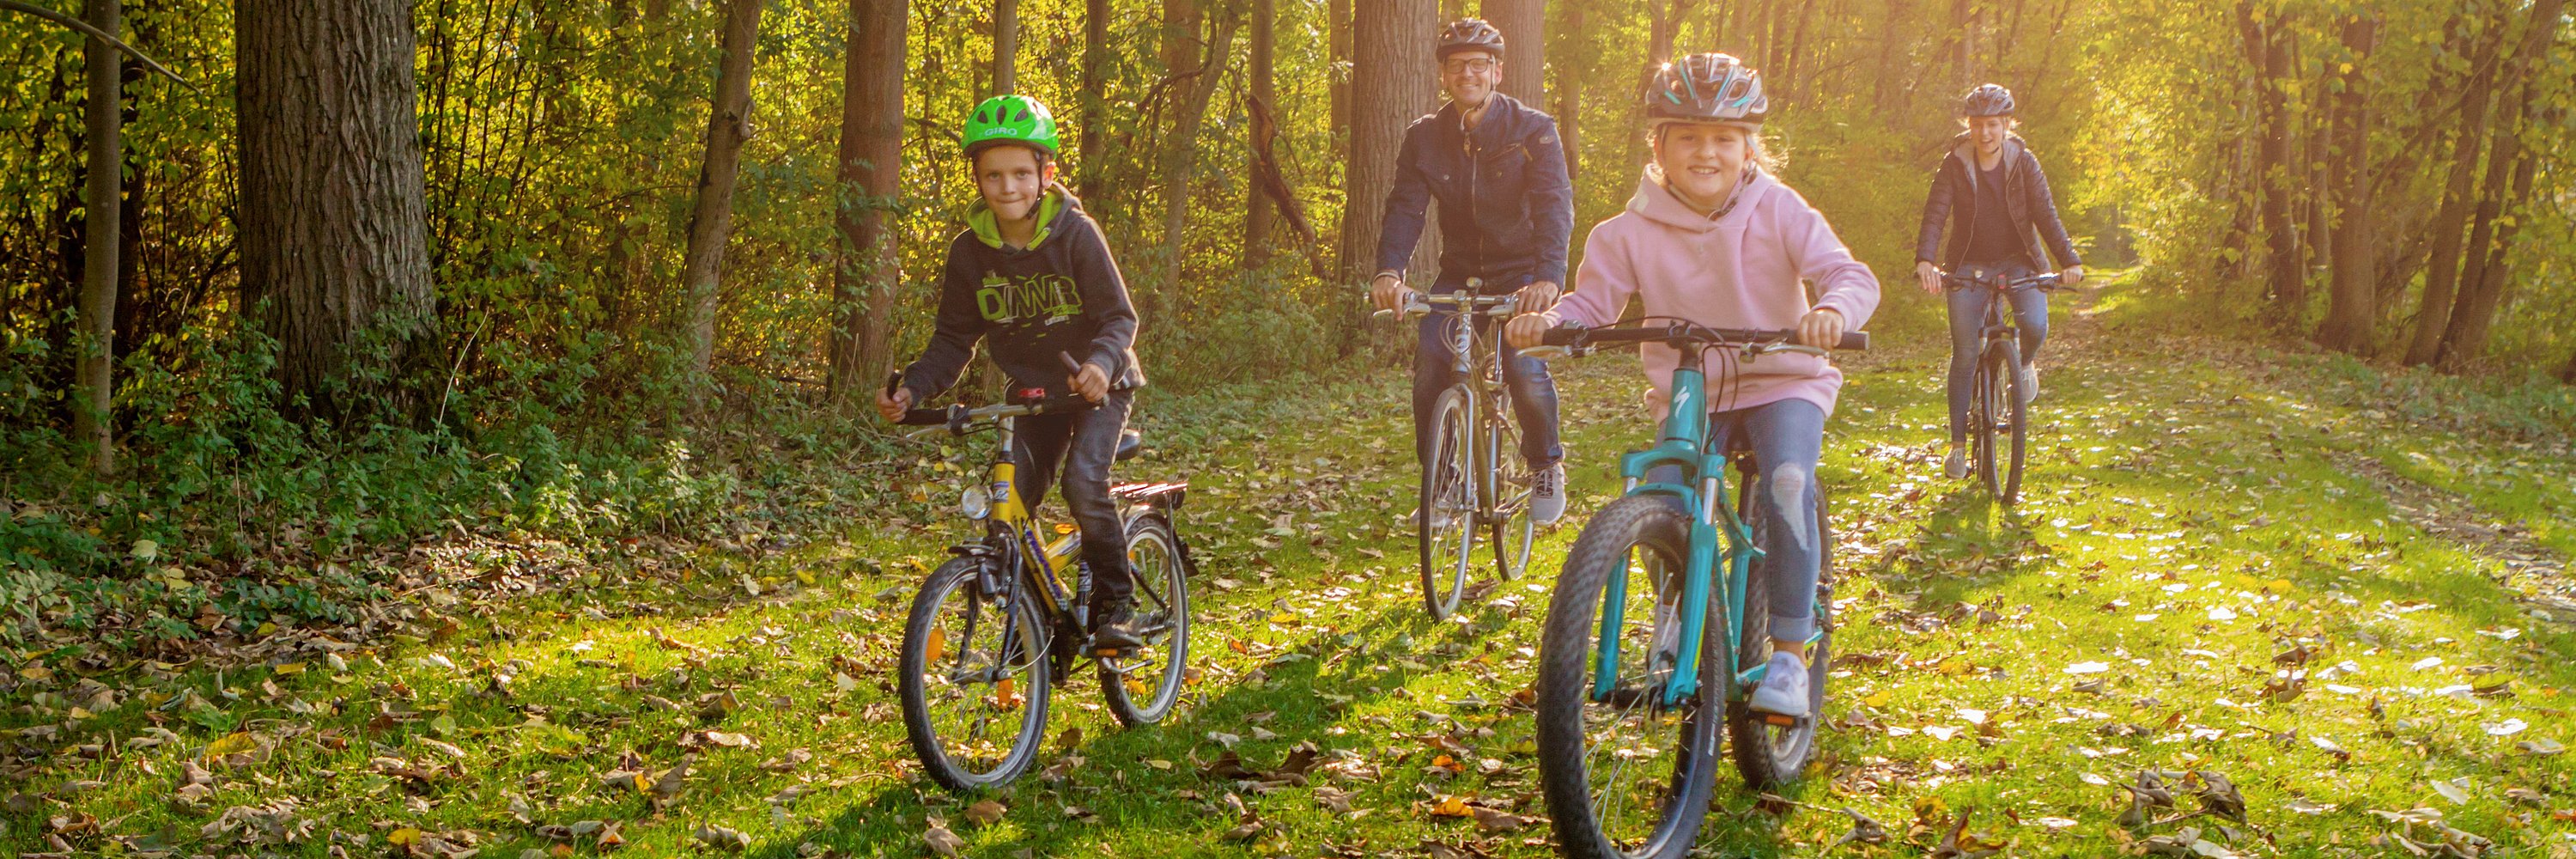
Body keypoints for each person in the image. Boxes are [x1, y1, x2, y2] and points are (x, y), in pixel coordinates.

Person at [1506, 52, 1879, 717]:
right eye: (1688, 137)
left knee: (1788, 482)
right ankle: (1677, 607)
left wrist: (1830, 312)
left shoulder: (1780, 208)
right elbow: (1590, 305)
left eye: (1723, 139)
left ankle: (1790, 656)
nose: (1706, 152)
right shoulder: (1625, 231)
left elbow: (1849, 274)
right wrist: (1551, 321)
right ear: (1659, 145)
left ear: (1748, 147)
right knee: (1660, 495)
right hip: (1692, 388)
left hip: (1782, 380)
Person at [876, 94, 1150, 649]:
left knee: (1082, 483)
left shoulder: (1077, 234)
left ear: (1046, 174)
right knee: (1010, 508)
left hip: (1102, 387)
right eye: (993, 175)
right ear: (977, 179)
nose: (1008, 187)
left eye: (1022, 173)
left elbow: (1119, 317)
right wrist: (913, 388)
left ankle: (1118, 603)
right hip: (1031, 396)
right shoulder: (970, 254)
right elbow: (955, 339)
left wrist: (1100, 364)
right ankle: (1038, 623)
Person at [1370, 18, 1576, 524]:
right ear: (1443, 74)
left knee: (1524, 370)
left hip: (1523, 275)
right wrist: (1388, 272)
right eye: (1457, 65)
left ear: (1497, 72)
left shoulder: (1534, 130)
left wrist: (1547, 276)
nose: (1468, 73)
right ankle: (1442, 485)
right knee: (1431, 368)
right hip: (1459, 274)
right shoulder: (1424, 137)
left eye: (1479, 64)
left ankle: (1545, 464)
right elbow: (1405, 209)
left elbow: (1554, 204)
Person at [1912, 83, 2086, 479]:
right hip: (1969, 265)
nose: (1985, 133)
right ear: (1968, 126)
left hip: (2021, 262)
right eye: (1977, 125)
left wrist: (2069, 260)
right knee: (1966, 350)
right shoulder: (1955, 163)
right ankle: (1958, 447)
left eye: (1993, 124)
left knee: (2035, 326)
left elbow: (2045, 214)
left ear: (2007, 124)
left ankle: (2023, 363)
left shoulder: (2024, 162)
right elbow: (1936, 214)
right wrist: (1926, 260)